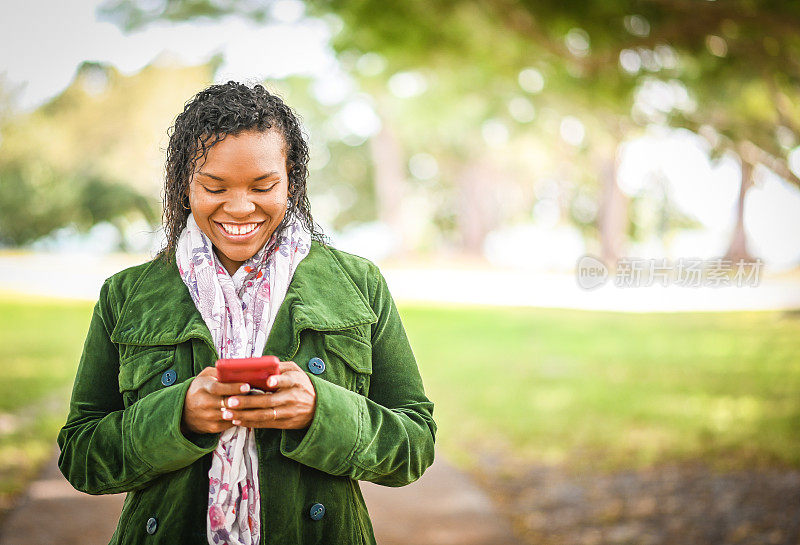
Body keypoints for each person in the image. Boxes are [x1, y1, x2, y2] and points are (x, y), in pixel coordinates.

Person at [57, 81, 436, 545]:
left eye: (264, 186)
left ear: (291, 178)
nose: (239, 207)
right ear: (183, 185)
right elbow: (81, 456)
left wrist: (321, 411)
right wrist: (178, 417)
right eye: (214, 187)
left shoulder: (358, 285)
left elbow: (414, 444)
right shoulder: (127, 295)